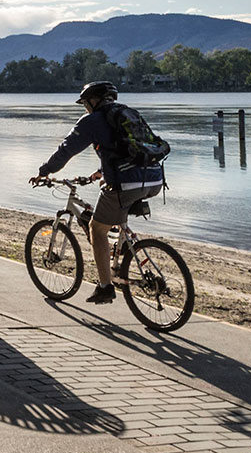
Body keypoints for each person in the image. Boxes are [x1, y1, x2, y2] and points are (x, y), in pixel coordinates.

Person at [29, 81, 164, 304]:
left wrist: (45, 171)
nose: (84, 107)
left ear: (93, 100)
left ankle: (105, 287)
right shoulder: (127, 114)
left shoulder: (92, 120)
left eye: (84, 103)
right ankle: (120, 257)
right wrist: (101, 172)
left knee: (97, 229)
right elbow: (128, 150)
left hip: (127, 183)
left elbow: (67, 149)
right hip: (155, 179)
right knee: (112, 208)